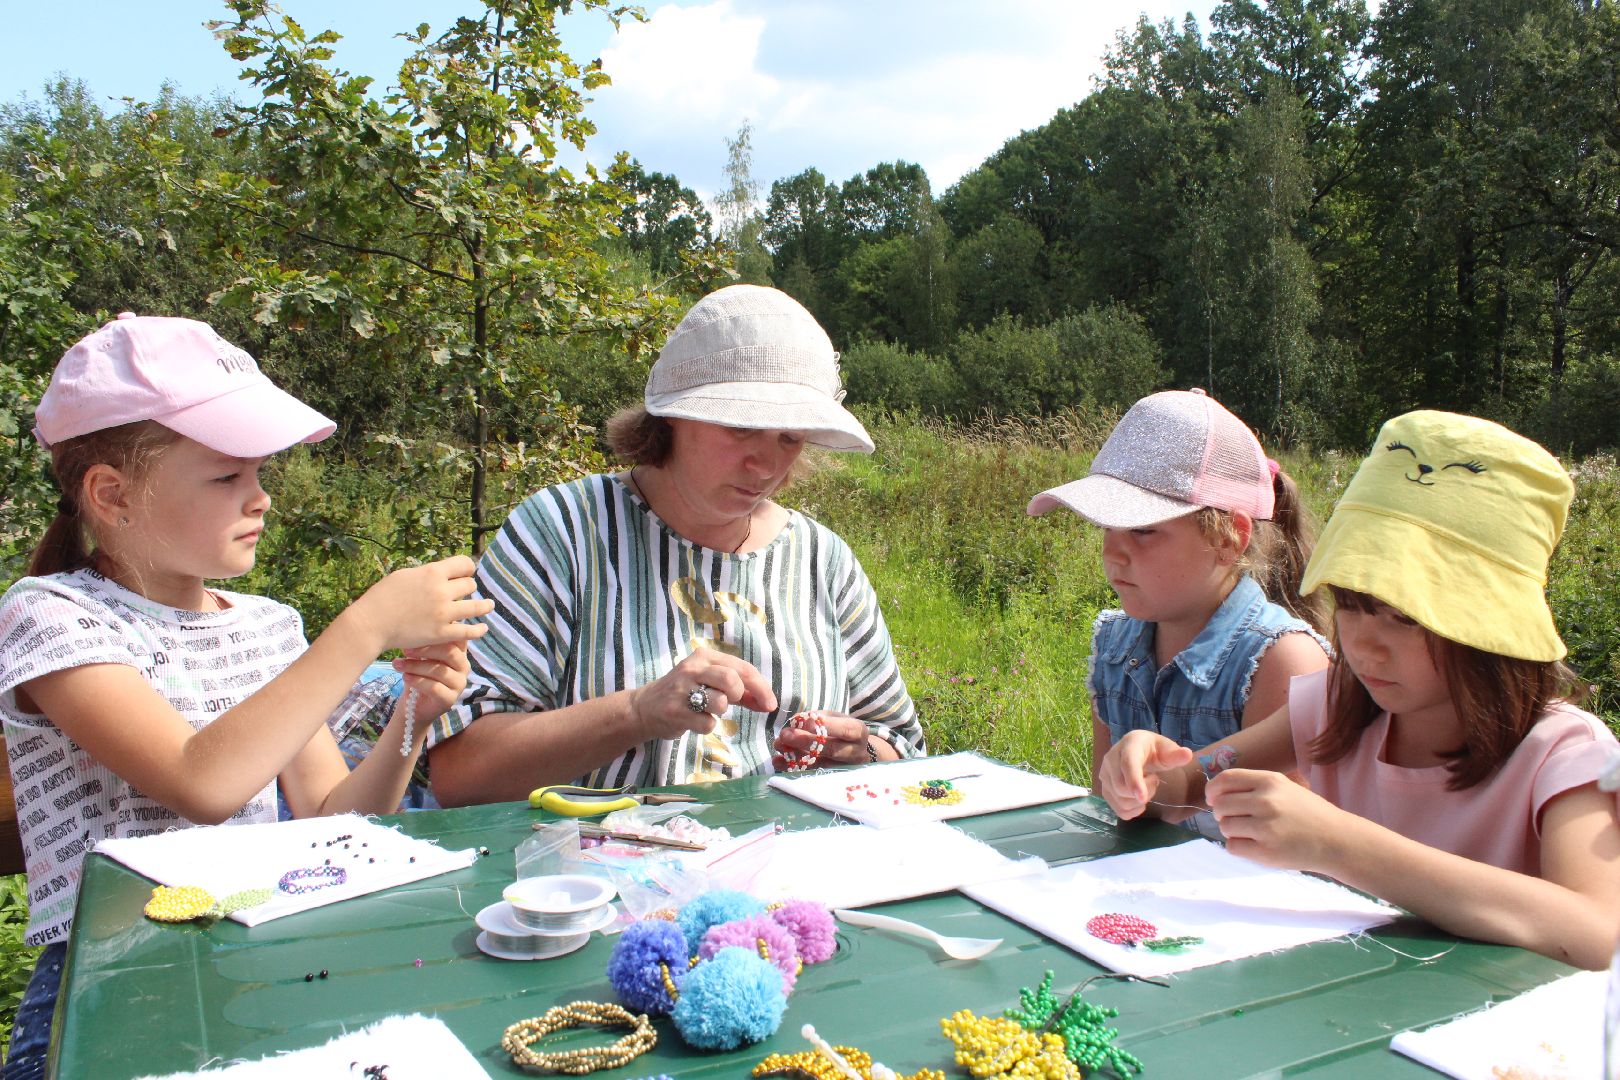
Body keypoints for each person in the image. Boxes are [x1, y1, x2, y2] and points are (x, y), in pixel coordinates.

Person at [0, 314, 494, 1079]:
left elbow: (336, 817)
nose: (260, 498)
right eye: (228, 477)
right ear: (111, 494)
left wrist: (413, 718)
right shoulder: (52, 616)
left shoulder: (267, 626)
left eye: (259, 474)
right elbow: (203, 781)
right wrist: (365, 626)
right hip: (103, 991)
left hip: (254, 964)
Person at [1096, 410, 1620, 970]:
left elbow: (1594, 932)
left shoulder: (1564, 757)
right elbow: (1190, 784)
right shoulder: (1334, 708)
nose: (1366, 647)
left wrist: (1339, 845)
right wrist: (1145, 775)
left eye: (1406, 617)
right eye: (1350, 606)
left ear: (1490, 625)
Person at [428, 284, 923, 804]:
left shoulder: (823, 561)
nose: (767, 465)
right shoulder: (564, 531)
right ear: (672, 415)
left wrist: (861, 752)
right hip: (595, 874)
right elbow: (461, 774)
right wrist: (637, 712)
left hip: (785, 870)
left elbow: (902, 747)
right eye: (741, 426)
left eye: (790, 437)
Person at [1027, 389, 1331, 781]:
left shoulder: (1281, 662)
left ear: (1227, 539)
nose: (1113, 554)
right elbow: (1106, 809)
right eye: (1105, 527)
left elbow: (1287, 829)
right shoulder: (1114, 646)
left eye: (1142, 529)